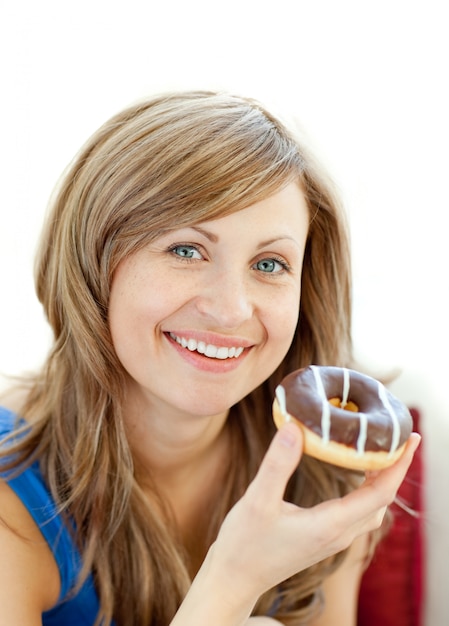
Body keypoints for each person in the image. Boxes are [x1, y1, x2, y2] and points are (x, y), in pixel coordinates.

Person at [0, 90, 420, 626]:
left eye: (269, 264)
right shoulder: (11, 501)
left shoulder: (324, 473)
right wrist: (233, 582)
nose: (229, 309)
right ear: (92, 262)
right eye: (185, 250)